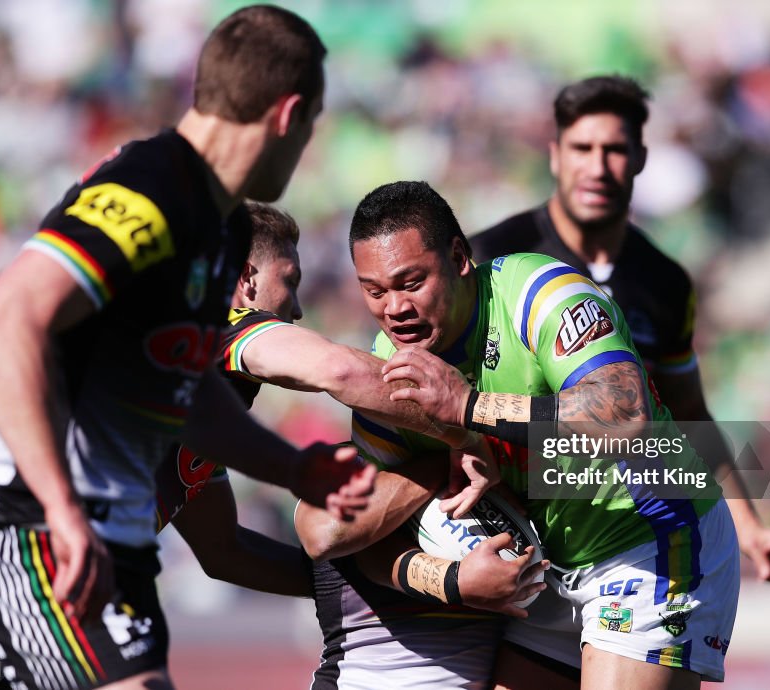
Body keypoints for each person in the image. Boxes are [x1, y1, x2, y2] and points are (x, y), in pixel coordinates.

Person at [0, 7, 378, 690]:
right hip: (37, 542)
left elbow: (185, 398)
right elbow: (2, 320)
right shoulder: (152, 184)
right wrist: (63, 509)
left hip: (105, 557)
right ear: (289, 114)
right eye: (312, 126)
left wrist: (293, 469)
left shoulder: (217, 234)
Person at [0, 200, 535, 689]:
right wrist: (468, 431)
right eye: (287, 283)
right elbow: (340, 373)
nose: (294, 308)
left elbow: (225, 553)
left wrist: (395, 578)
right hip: (4, 584)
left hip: (11, 588)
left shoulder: (200, 398)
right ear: (245, 280)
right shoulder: (219, 332)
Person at [301, 180, 740, 689]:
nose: (394, 308)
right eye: (374, 291)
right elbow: (350, 537)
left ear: (460, 258)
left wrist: (467, 407)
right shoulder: (390, 368)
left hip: (653, 540)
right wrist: (450, 579)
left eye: (411, 282)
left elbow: (625, 414)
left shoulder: (540, 293)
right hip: (554, 572)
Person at [471, 74, 770, 599]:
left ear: (641, 158)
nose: (597, 167)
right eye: (582, 148)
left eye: (615, 150)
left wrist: (750, 527)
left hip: (632, 544)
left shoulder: (665, 282)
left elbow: (690, 412)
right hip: (519, 538)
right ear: (555, 155)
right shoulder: (493, 256)